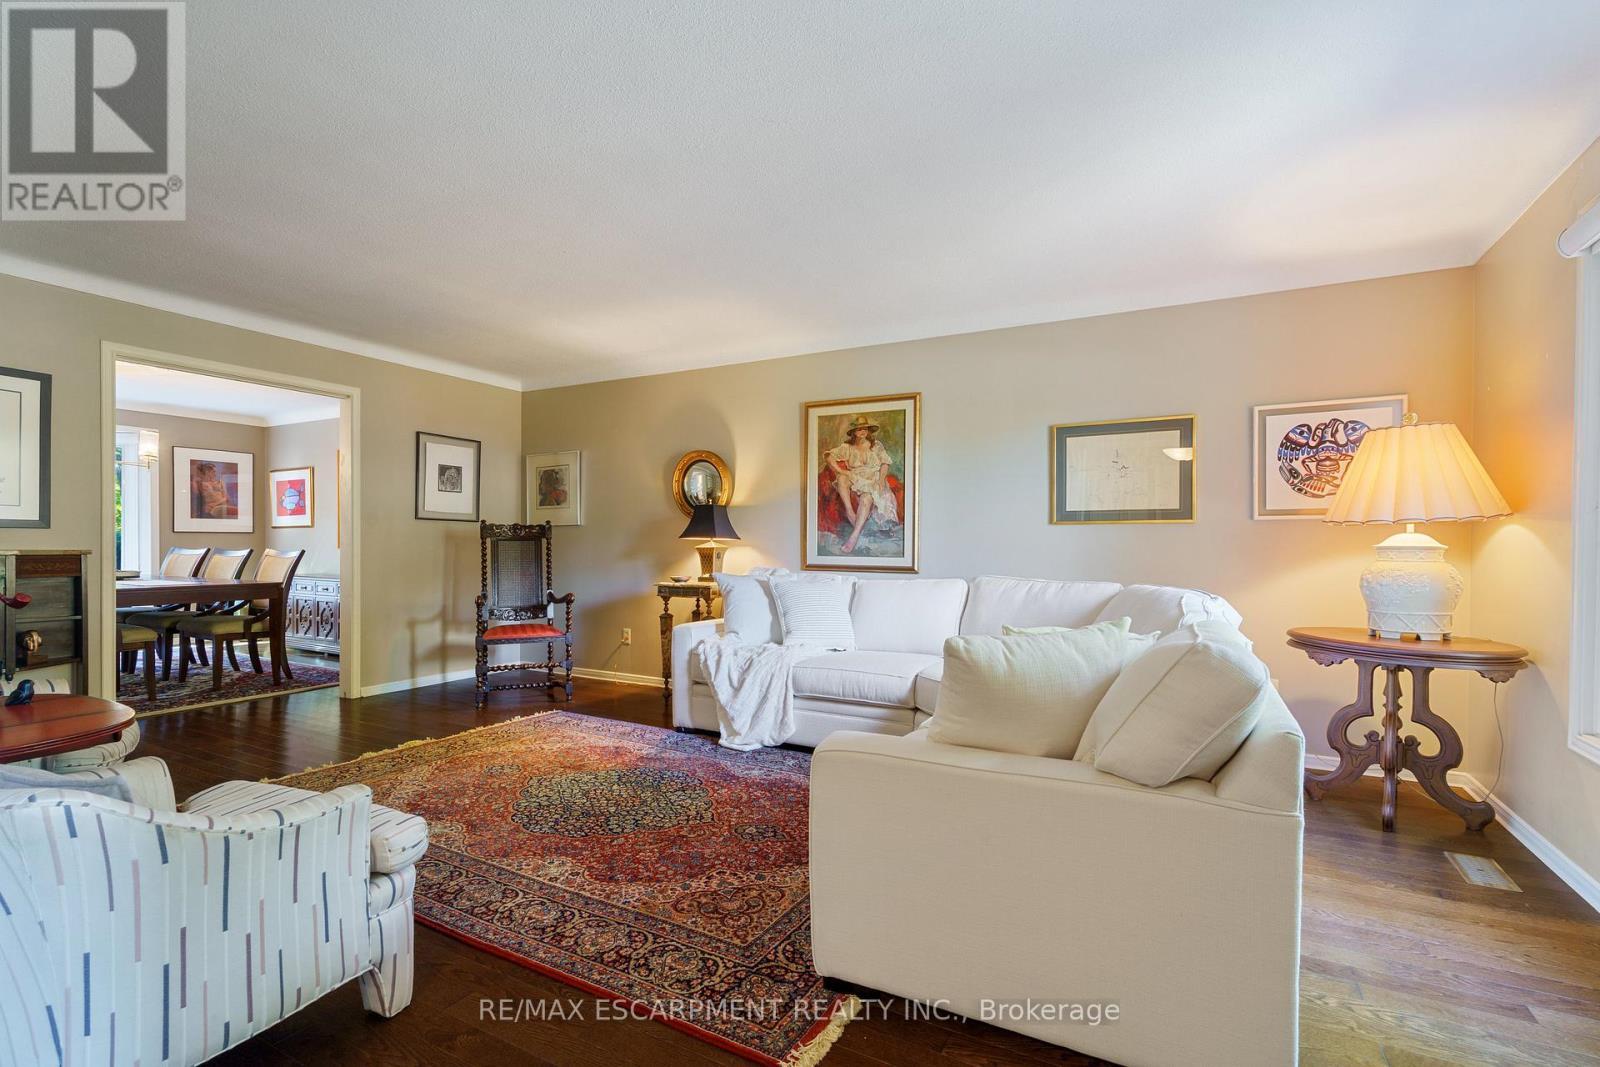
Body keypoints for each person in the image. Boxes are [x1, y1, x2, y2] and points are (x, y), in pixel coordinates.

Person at [823, 415, 901, 554]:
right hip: (856, 476)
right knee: (841, 477)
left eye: (864, 428)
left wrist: (881, 480)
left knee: (866, 498)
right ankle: (849, 511)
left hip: (873, 478)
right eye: (858, 429)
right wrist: (840, 470)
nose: (862, 431)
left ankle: (854, 536)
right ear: (853, 432)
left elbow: (885, 463)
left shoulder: (876, 445)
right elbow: (829, 456)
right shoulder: (847, 447)